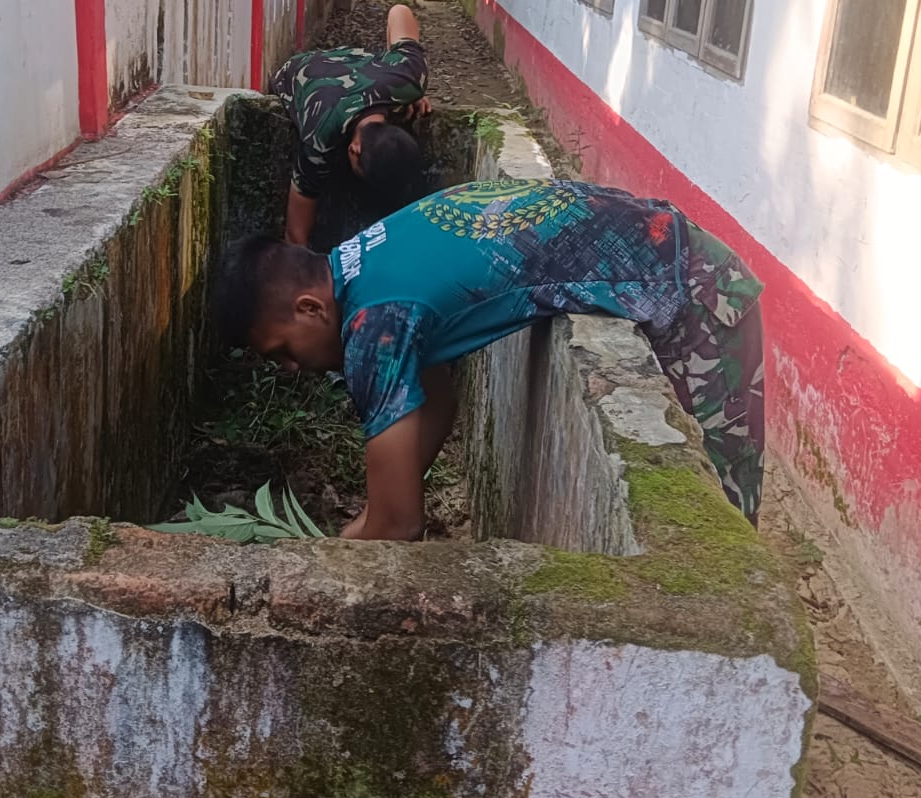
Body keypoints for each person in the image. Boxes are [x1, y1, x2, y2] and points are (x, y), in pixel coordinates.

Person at [214, 177, 765, 540]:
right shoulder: (364, 258)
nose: (291, 368)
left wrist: (348, 550)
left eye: (281, 351)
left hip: (697, 290)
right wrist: (368, 522)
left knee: (721, 523)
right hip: (671, 251)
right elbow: (436, 405)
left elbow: (401, 527)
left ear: (309, 308)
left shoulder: (373, 324)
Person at [268, 3, 432, 247]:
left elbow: (400, 10)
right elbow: (295, 234)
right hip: (298, 70)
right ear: (353, 150)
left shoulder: (410, 76)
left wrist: (407, 92)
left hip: (355, 63)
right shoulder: (320, 133)